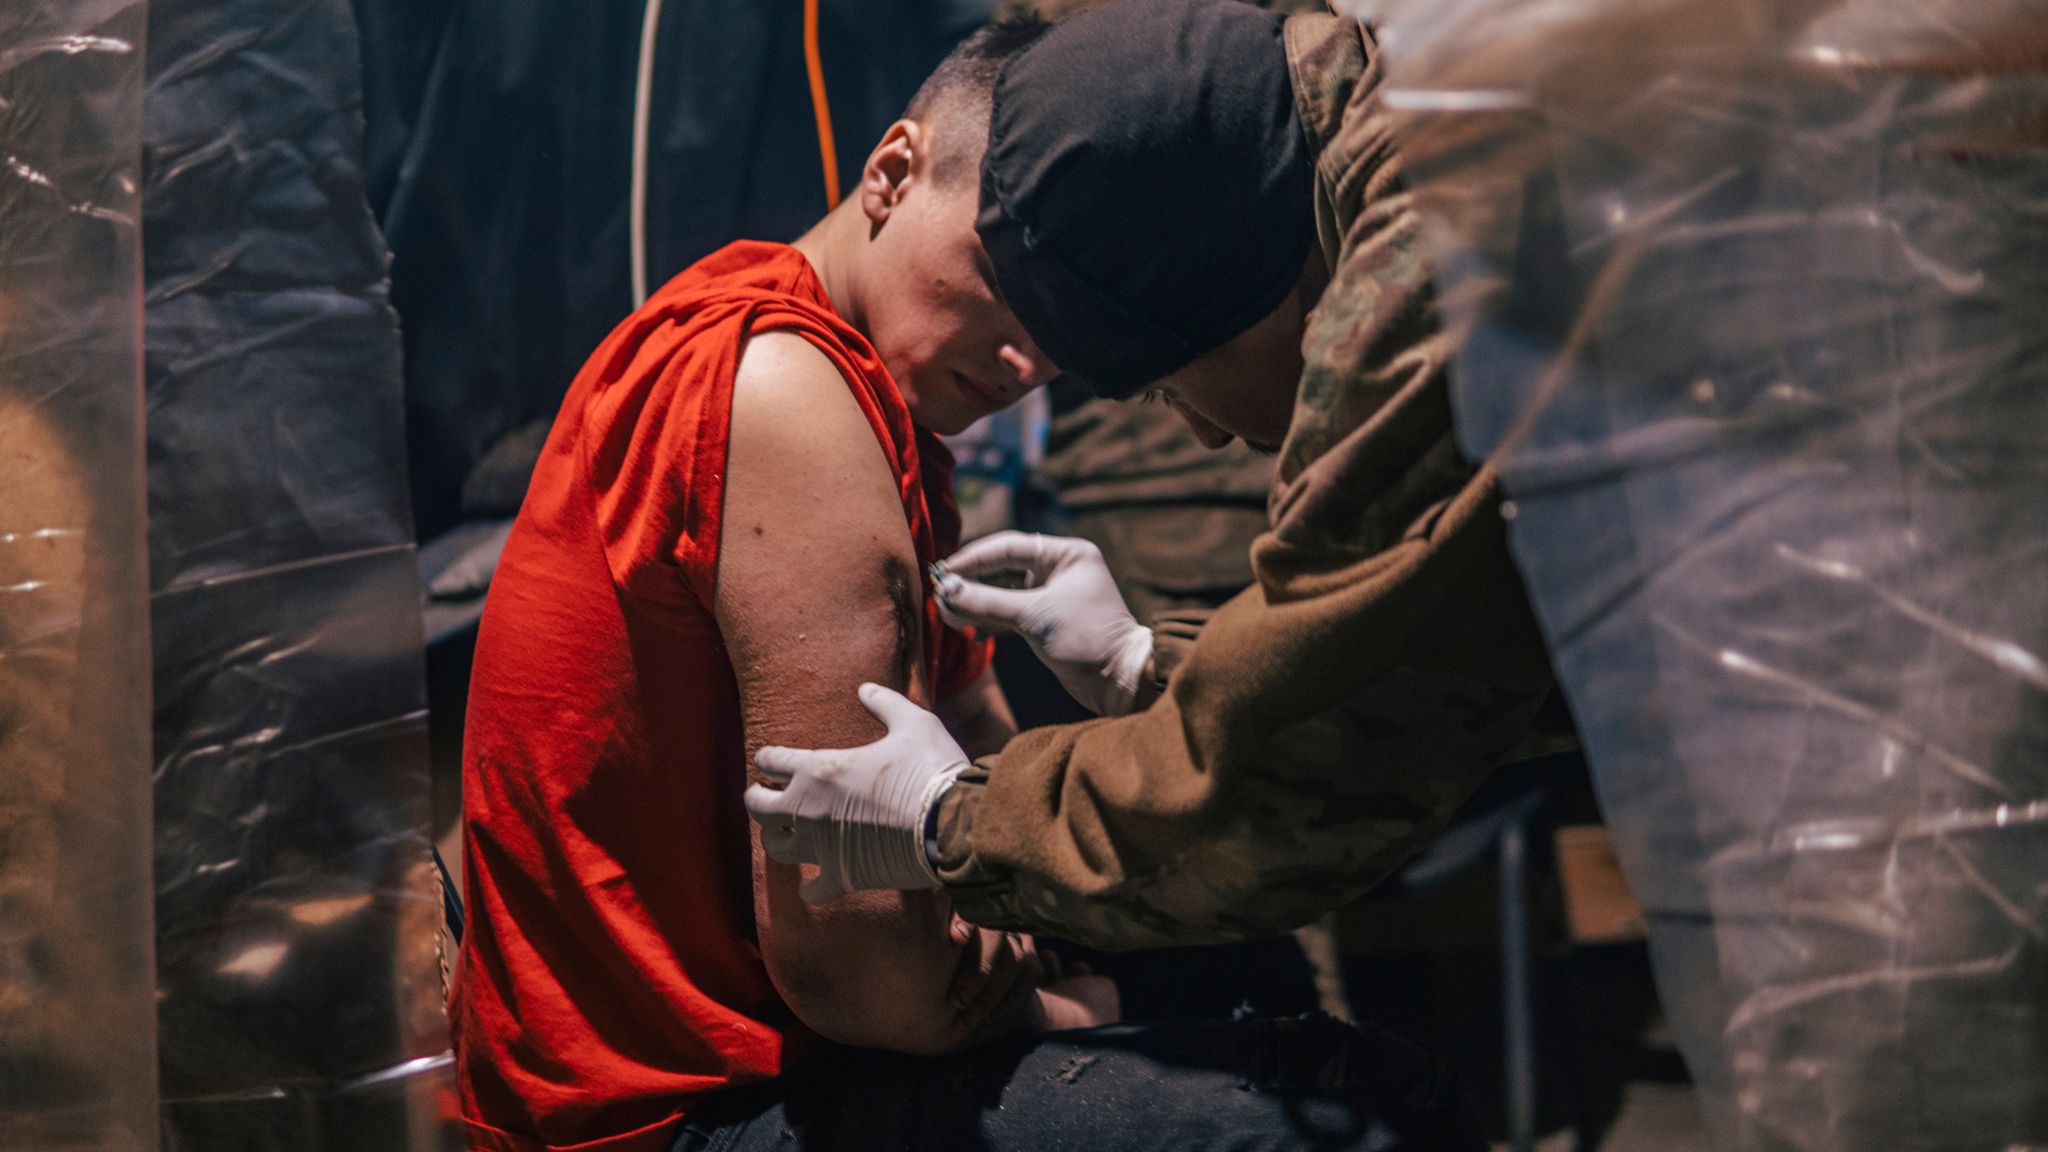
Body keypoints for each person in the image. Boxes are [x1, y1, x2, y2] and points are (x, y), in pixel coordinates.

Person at [453, 16, 1487, 1152]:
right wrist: (1092, 1001)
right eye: (1002, 275)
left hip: (770, 1059)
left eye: (1060, 328)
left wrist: (1142, 669)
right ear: (892, 172)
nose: (1023, 360)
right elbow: (856, 964)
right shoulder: (791, 389)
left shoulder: (884, 419)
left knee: (1242, 960)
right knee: (1351, 1115)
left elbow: (993, 768)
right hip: (674, 1114)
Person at [746, 0, 1559, 948]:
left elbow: (1283, 792)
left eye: (1172, 386)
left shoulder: (1422, 265)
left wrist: (948, 818)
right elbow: (1437, 663)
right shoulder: (1411, 111)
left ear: (1232, 298)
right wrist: (1154, 667)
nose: (1208, 436)